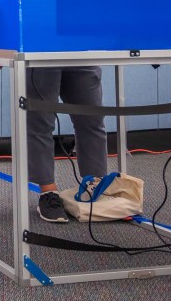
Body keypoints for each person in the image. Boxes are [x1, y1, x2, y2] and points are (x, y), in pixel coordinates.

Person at [27, 67, 109, 222]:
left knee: (92, 120)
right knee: (40, 123)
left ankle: (94, 185)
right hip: (41, 52)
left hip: (83, 52)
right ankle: (48, 193)